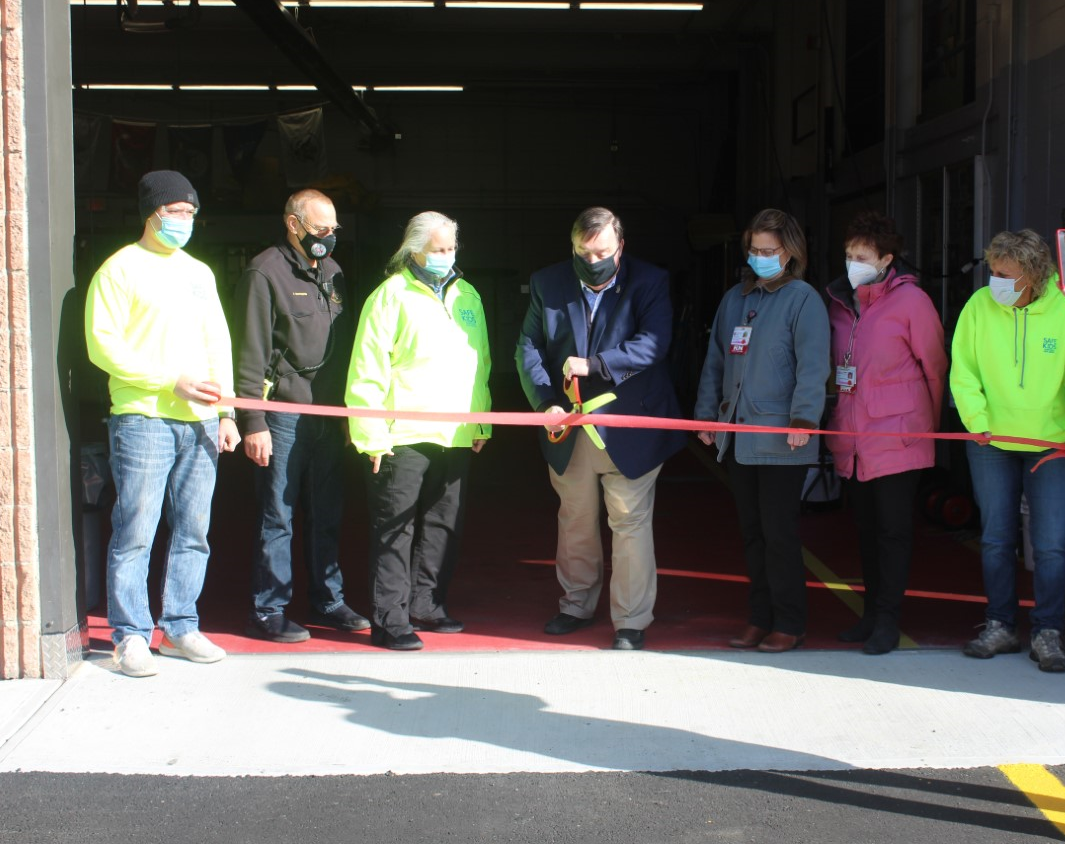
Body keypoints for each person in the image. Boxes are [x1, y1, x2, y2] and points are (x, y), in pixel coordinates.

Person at [84, 170, 241, 677]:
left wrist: (227, 411)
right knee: (136, 529)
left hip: (199, 420)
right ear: (151, 213)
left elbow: (218, 342)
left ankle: (179, 626)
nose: (184, 221)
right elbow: (102, 345)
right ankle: (129, 635)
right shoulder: (119, 269)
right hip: (143, 416)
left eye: (191, 213)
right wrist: (168, 379)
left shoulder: (199, 272)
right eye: (176, 211)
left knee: (194, 530)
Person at [516, 207, 686, 651]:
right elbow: (529, 348)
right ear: (571, 248)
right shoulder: (547, 283)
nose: (593, 261)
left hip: (630, 427)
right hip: (567, 425)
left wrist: (595, 366)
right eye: (583, 252)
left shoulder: (649, 282)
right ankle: (575, 605)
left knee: (629, 521)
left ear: (621, 247)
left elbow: (653, 344)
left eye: (603, 252)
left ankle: (630, 620)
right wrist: (545, 401)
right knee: (575, 519)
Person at [346, 211, 491, 651]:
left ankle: (425, 603)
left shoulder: (468, 295)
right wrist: (369, 434)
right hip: (402, 434)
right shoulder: (389, 296)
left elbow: (479, 362)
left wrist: (481, 418)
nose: (446, 257)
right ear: (414, 250)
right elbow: (366, 369)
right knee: (395, 529)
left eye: (451, 248)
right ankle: (389, 619)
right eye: (438, 249)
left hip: (457, 430)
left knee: (443, 524)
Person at [232, 189, 367, 644]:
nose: (328, 238)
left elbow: (347, 349)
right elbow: (249, 353)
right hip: (283, 413)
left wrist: (350, 415)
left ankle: (328, 599)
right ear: (293, 224)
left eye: (333, 230)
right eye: (319, 229)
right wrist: (252, 421)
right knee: (279, 515)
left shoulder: (333, 272)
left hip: (327, 411)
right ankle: (267, 608)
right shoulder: (263, 271)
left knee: (327, 511)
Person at [695, 208, 829, 653]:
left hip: (783, 439)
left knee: (779, 534)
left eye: (769, 251)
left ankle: (789, 622)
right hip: (738, 437)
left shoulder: (803, 298)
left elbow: (814, 365)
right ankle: (759, 616)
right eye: (754, 249)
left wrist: (805, 419)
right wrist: (707, 416)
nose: (760, 257)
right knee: (752, 534)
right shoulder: (736, 298)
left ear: (790, 253)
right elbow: (716, 359)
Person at [824, 211, 947, 655]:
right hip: (854, 440)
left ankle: (888, 621)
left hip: (900, 438)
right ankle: (871, 615)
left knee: (893, 532)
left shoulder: (911, 302)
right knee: (866, 529)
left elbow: (935, 368)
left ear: (887, 259)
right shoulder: (840, 303)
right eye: (848, 254)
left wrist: (928, 432)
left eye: (863, 256)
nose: (853, 263)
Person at [951, 228, 1065, 673]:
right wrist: (978, 424)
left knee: (1052, 543)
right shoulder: (979, 307)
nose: (995, 280)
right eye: (993, 270)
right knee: (996, 538)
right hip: (989, 443)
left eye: (1006, 274)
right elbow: (963, 370)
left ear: (1034, 276)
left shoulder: (1061, 308)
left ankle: (1048, 631)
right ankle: (1000, 624)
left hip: (1049, 445)